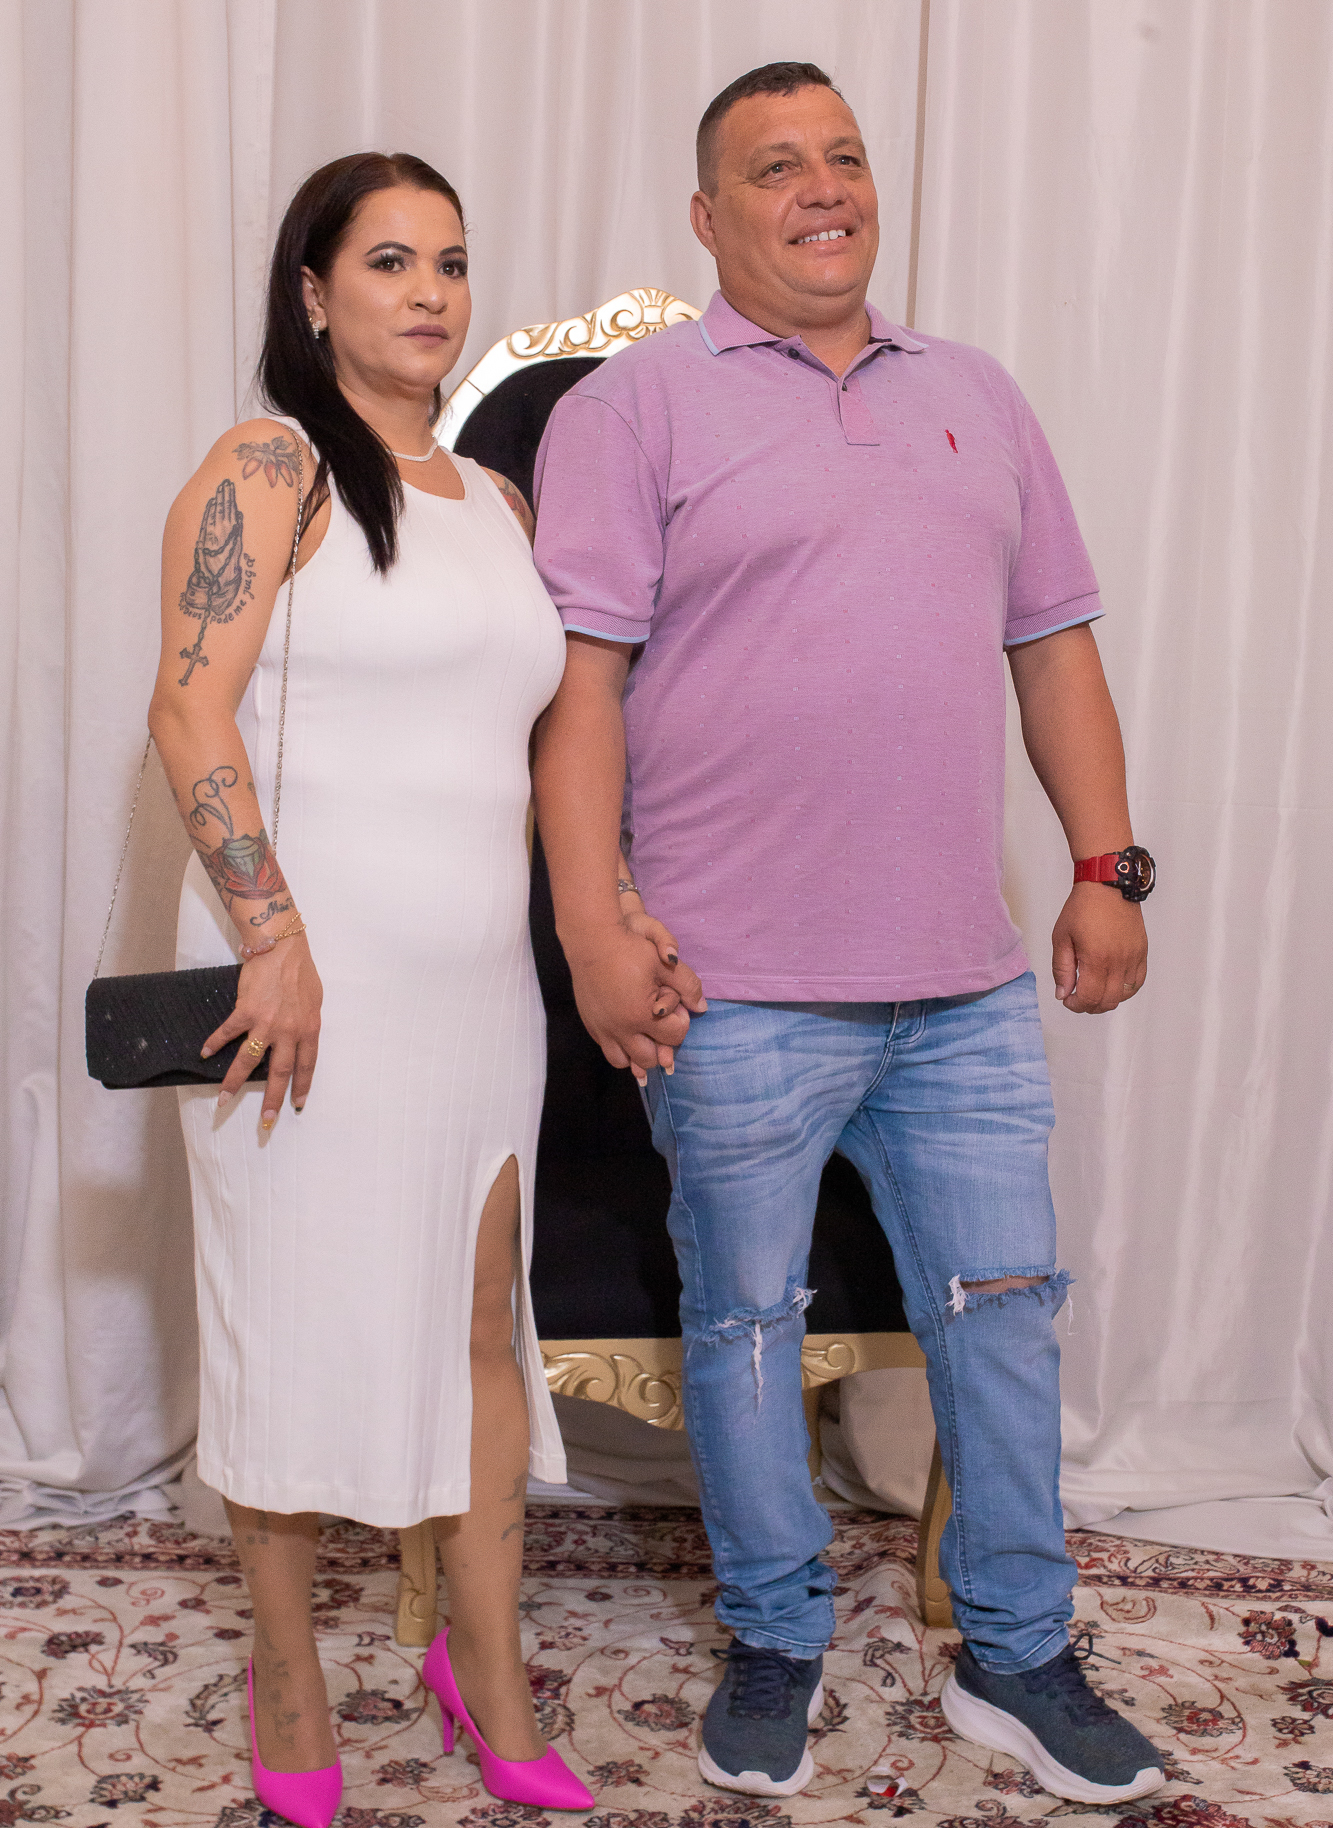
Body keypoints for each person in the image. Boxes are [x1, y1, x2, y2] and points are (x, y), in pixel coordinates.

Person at [531, 62, 1162, 1810]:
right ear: (705, 215)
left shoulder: (975, 392)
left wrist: (1107, 869)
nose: (822, 188)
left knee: (1005, 1317)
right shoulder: (633, 409)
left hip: (961, 983)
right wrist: (592, 925)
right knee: (743, 1321)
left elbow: (1055, 646)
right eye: (773, 167)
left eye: (844, 157)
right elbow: (579, 690)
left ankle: (1018, 1654)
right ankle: (774, 1636)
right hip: (727, 986)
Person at [148, 153, 602, 1825]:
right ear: (314, 291)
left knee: (481, 1332)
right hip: (301, 991)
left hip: (477, 997)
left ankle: (485, 1672)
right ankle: (286, 1679)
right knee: (288, 1336)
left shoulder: (500, 507)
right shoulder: (269, 467)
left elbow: (535, 755)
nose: (428, 293)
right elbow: (187, 710)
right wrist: (271, 936)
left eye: (451, 263)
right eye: (390, 260)